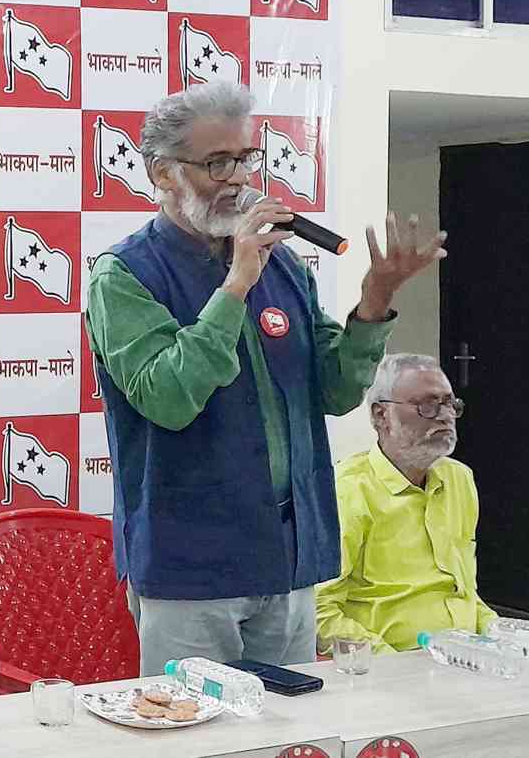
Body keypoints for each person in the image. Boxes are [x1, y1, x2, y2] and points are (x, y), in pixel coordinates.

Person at [86, 82, 444, 675]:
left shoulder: (284, 265)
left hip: (288, 554)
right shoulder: (124, 274)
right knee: (197, 723)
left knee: (291, 720)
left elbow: (334, 392)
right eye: (216, 163)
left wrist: (376, 298)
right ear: (162, 173)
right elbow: (169, 398)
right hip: (191, 563)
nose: (237, 179)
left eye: (245, 158)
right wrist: (236, 284)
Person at [316, 354, 496, 653]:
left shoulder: (459, 479)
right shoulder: (347, 490)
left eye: (450, 404)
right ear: (381, 415)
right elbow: (318, 611)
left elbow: (463, 594)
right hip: (391, 663)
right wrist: (393, 665)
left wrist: (498, 633)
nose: (445, 416)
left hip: (464, 658)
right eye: (427, 406)